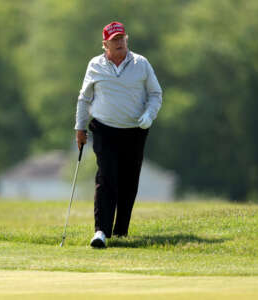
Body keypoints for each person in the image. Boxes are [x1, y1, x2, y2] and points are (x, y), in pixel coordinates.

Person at [74, 21, 162, 248]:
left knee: (128, 182)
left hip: (135, 131)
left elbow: (155, 93)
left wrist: (149, 115)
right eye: (114, 40)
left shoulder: (141, 64)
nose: (120, 42)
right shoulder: (95, 65)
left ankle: (121, 231)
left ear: (126, 39)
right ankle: (101, 231)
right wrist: (80, 128)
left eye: (122, 38)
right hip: (104, 130)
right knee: (106, 177)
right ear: (105, 44)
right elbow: (84, 98)